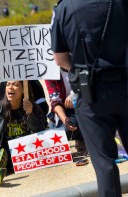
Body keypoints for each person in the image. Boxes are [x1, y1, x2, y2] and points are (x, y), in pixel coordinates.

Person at [51, 0, 128, 196]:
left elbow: (60, 59)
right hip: (125, 84)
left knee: (105, 164)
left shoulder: (64, 8)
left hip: (91, 93)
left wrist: (81, 68)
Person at [0, 81, 47, 184]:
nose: (10, 87)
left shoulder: (34, 108)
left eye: (15, 85)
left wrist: (30, 115)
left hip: (26, 157)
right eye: (8, 84)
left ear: (23, 90)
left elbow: (42, 135)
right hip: (4, 157)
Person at [45, 69, 87, 154]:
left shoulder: (80, 64)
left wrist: (74, 94)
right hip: (68, 109)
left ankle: (89, 138)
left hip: (87, 103)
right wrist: (65, 120)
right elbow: (55, 101)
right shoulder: (51, 72)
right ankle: (82, 138)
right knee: (65, 131)